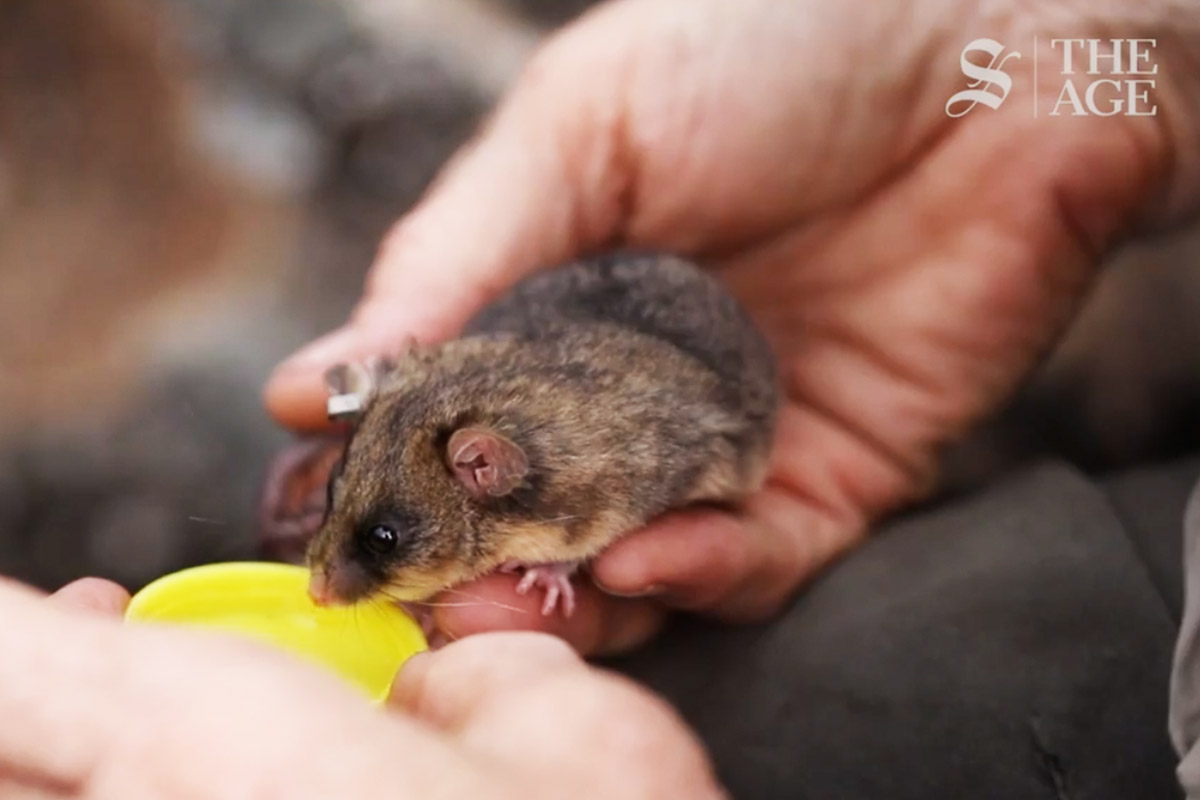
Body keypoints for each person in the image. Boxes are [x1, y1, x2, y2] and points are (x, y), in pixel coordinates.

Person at [3, 0, 1199, 797]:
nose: (335, 575)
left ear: (487, 473)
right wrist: (1051, 34)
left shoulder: (581, 477)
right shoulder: (460, 425)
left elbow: (648, 467)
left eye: (376, 542)